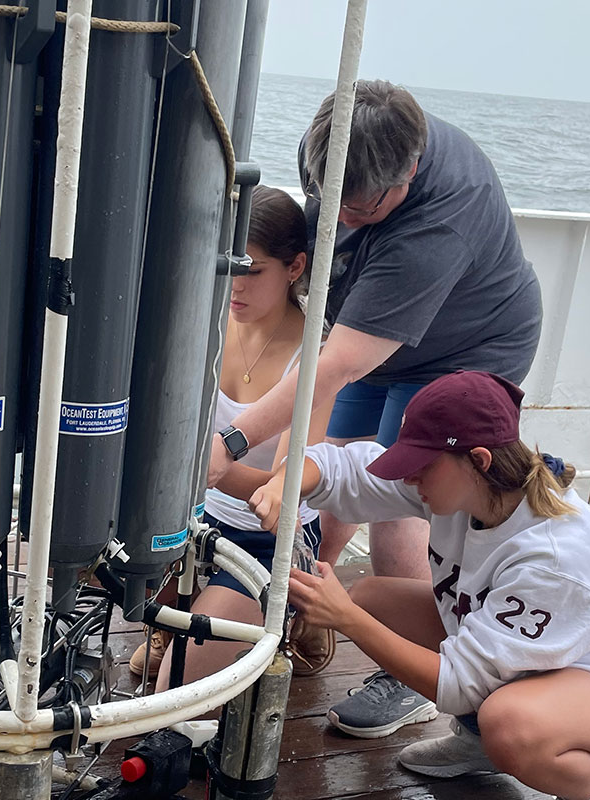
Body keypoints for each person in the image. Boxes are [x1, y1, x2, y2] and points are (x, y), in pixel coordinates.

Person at [208, 79, 544, 736]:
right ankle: (305, 609)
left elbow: (330, 368)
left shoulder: (437, 224)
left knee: (401, 498)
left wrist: (232, 444)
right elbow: (327, 396)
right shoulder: (347, 148)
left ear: (408, 174)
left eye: (360, 209)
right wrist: (285, 474)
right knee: (333, 468)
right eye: (327, 200)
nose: (342, 218)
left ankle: (412, 671)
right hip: (377, 332)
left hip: (468, 348)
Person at [249, 371, 590, 800]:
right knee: (374, 599)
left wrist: (347, 620)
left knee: (508, 725)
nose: (410, 478)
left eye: (421, 466)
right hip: (545, 663)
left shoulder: (556, 559)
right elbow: (347, 472)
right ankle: (477, 745)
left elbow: (458, 683)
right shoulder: (472, 488)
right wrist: (283, 486)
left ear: (480, 460)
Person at [127, 185, 331, 689]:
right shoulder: (210, 320)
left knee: (172, 693)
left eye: (252, 270)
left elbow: (283, 491)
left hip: (269, 539)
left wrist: (199, 466)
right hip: (196, 520)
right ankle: (187, 602)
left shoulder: (315, 357)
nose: (235, 286)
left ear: (296, 267)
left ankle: (288, 611)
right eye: (229, 267)